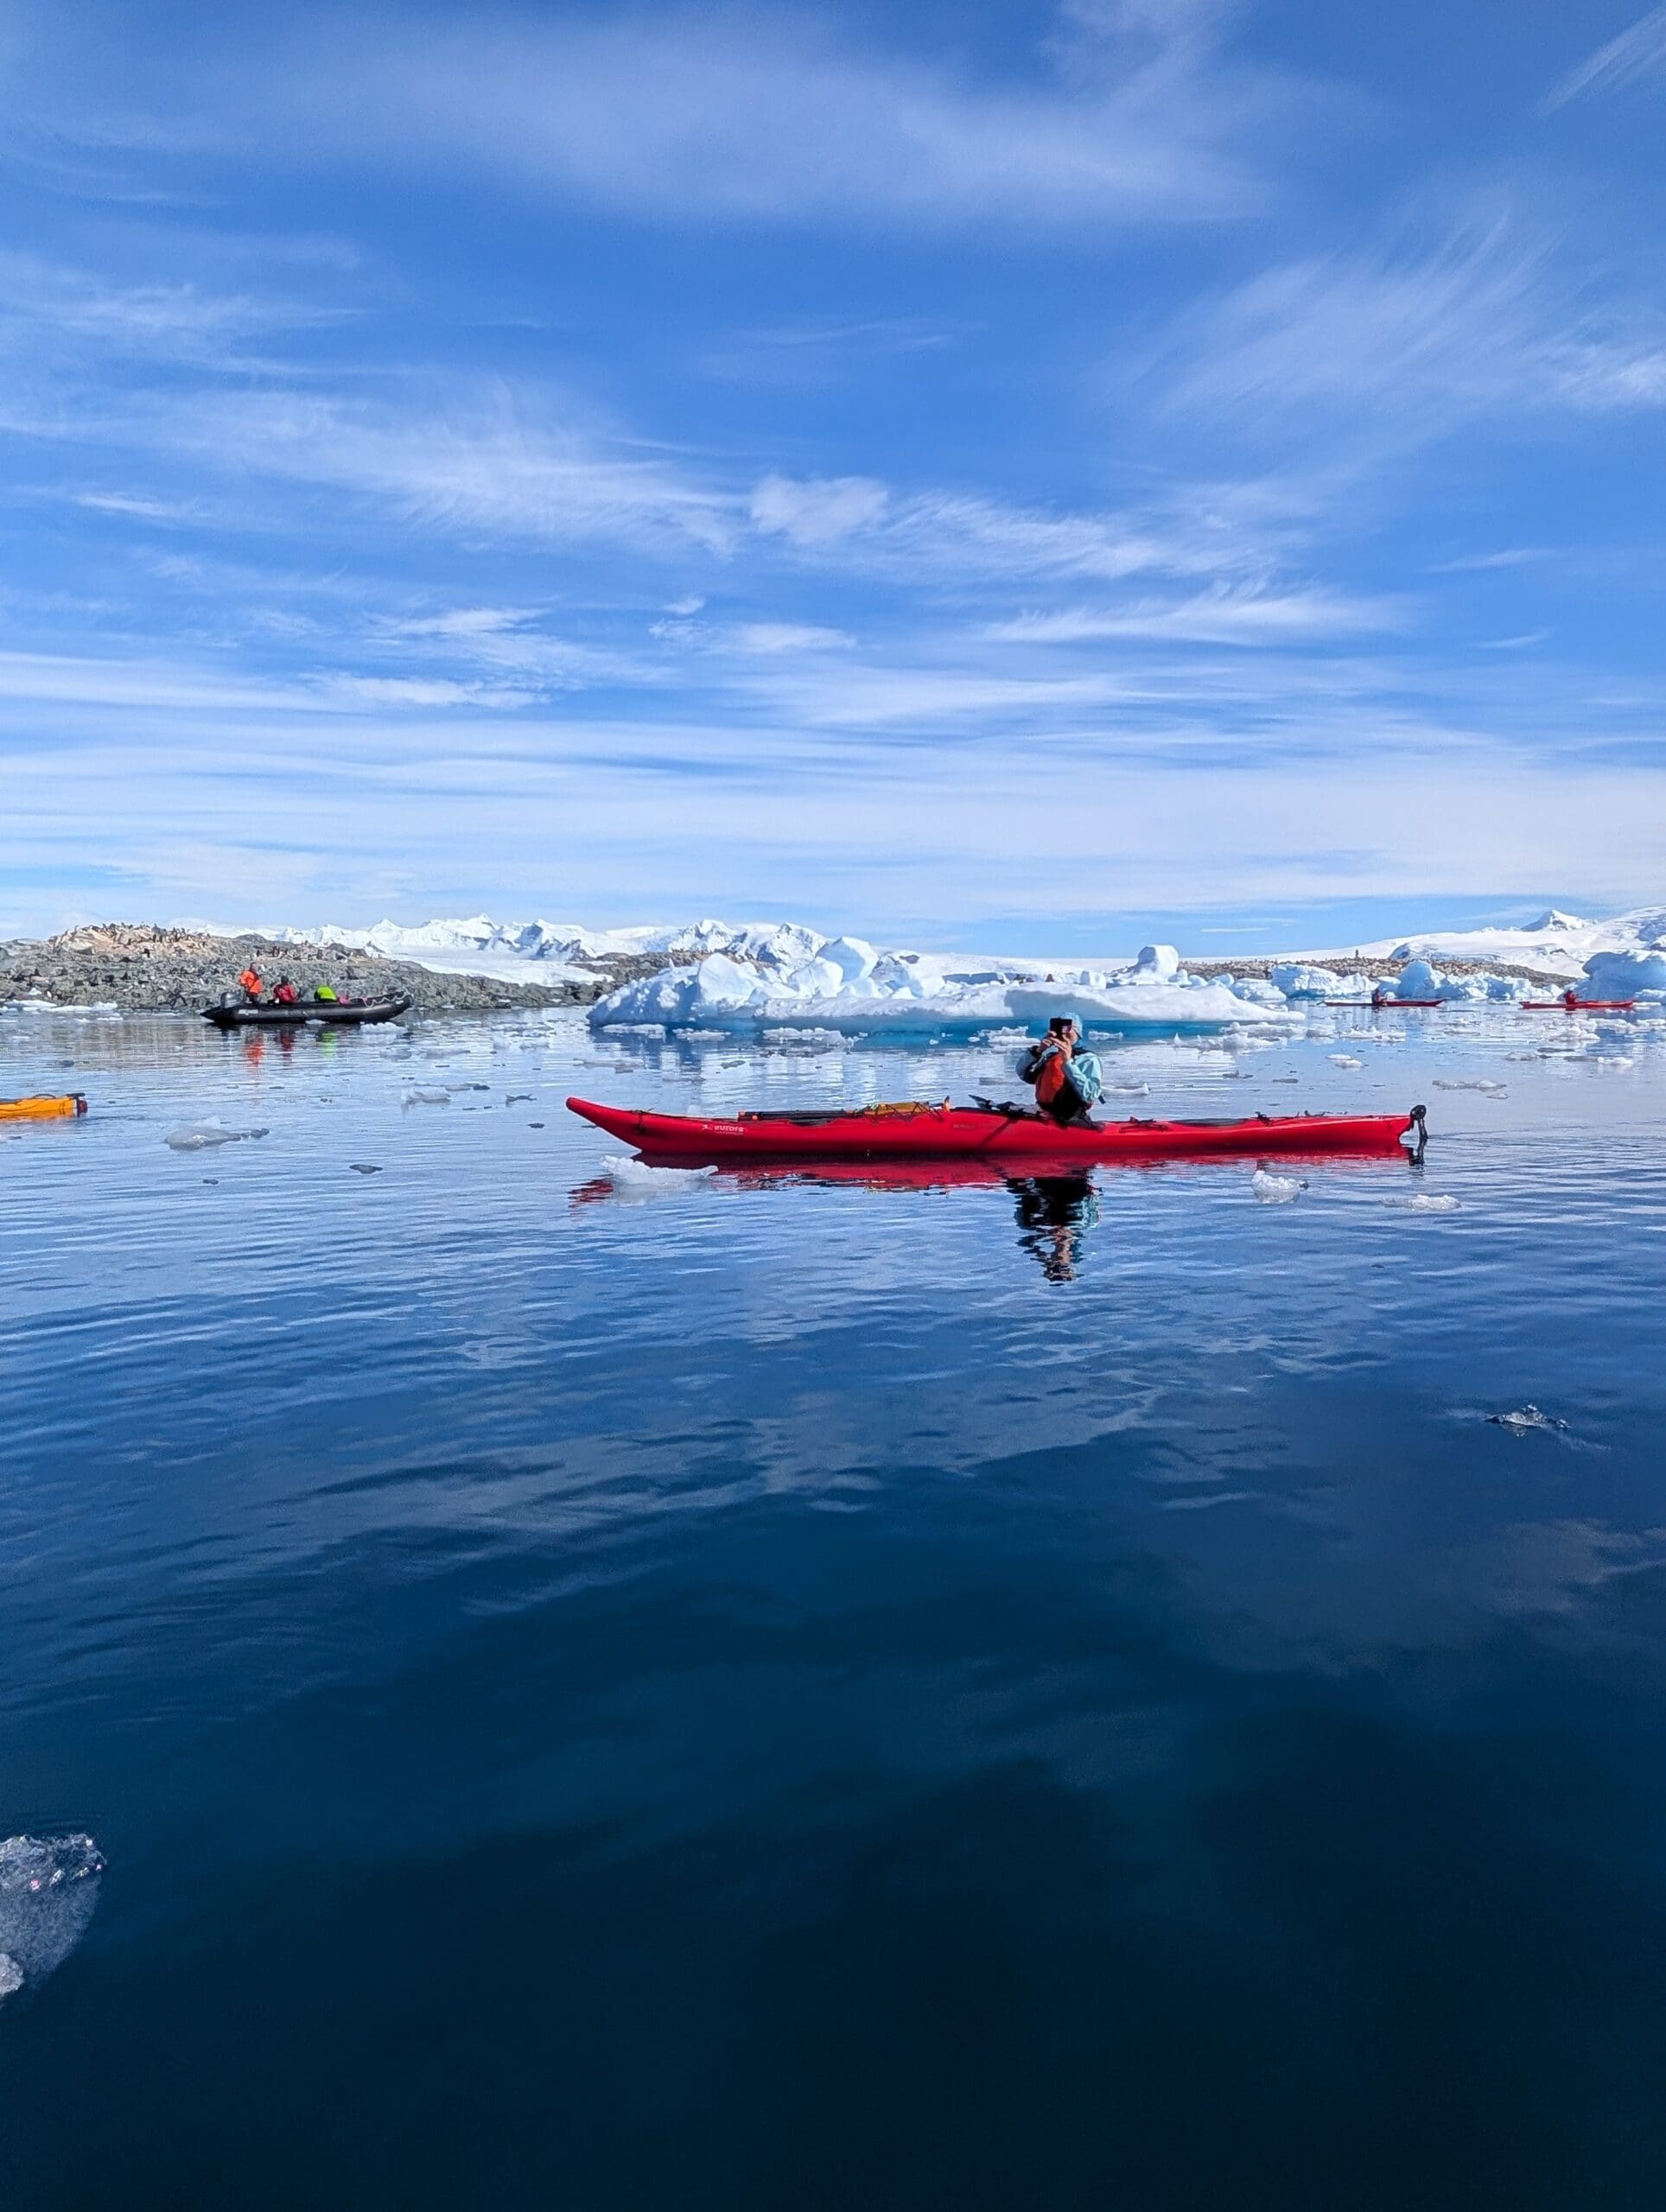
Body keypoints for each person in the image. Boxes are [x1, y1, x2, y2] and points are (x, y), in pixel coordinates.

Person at [1019, 1016, 1103, 1126]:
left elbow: (1090, 1095)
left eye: (1068, 1028)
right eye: (1058, 1028)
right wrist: (1039, 1051)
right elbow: (1024, 1075)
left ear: (1077, 1032)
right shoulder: (1051, 1057)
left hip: (1070, 1120)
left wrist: (1068, 1062)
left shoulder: (1089, 1059)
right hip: (1043, 1116)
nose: (1062, 1033)